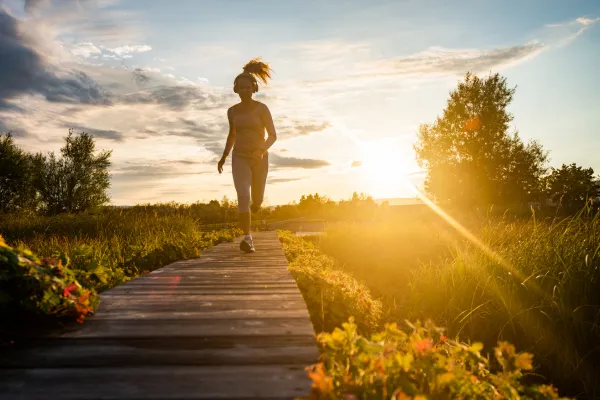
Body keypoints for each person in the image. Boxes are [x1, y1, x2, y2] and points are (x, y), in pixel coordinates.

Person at [218, 58, 277, 253]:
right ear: (236, 89)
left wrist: (260, 150)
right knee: (243, 195)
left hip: (259, 157)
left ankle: (257, 205)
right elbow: (232, 135)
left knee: (257, 199)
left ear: (254, 88)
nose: (243, 90)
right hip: (240, 157)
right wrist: (224, 156)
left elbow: (273, 135)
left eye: (247, 87)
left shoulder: (262, 109)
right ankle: (247, 238)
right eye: (240, 87)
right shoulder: (232, 111)